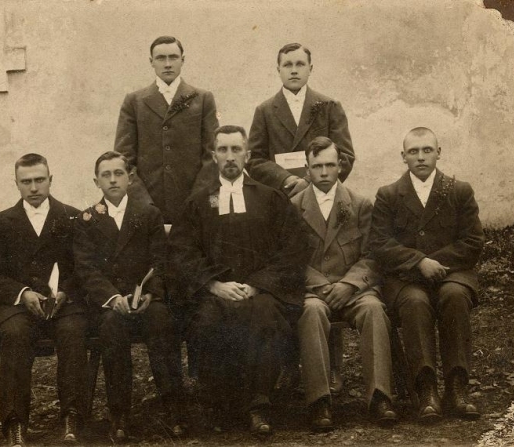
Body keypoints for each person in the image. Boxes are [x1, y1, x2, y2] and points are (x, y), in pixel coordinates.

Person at [168, 125, 309, 437]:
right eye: (223, 150)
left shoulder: (271, 199)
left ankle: (259, 405)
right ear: (214, 156)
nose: (230, 157)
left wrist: (257, 284)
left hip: (262, 290)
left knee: (265, 315)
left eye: (236, 150)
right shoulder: (197, 203)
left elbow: (293, 250)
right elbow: (181, 251)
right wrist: (213, 285)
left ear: (248, 155)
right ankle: (220, 405)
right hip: (214, 291)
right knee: (206, 320)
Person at [370, 127, 484, 422]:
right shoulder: (388, 195)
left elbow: (473, 242)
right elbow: (380, 244)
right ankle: (426, 390)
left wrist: (436, 263)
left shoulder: (459, 191)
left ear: (438, 153)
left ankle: (457, 387)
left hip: (451, 275)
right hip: (406, 279)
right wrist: (418, 262)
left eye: (427, 150)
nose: (420, 157)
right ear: (403, 156)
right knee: (415, 303)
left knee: (455, 296)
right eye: (413, 151)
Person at [73, 151, 185, 442]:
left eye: (118, 173)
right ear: (96, 181)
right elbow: (86, 269)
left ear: (130, 178)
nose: (113, 180)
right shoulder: (87, 219)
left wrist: (150, 293)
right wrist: (112, 297)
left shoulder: (148, 214)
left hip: (145, 299)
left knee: (162, 320)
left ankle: (174, 408)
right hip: (111, 304)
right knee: (111, 327)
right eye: (106, 175)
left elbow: (161, 261)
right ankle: (119, 413)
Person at [0, 154, 89, 447]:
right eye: (26, 181)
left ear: (50, 180)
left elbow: (84, 268)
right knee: (14, 333)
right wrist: (22, 293)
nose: (33, 187)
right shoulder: (1, 222)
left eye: (39, 180)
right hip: (19, 307)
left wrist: (66, 291)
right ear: (16, 184)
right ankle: (15, 424)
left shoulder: (72, 217)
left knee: (74, 331)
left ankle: (72, 418)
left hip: (64, 304)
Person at [291, 137, 396, 431]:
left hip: (354, 290)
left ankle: (380, 396)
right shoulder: (293, 207)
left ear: (340, 166)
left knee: (374, 310)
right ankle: (319, 401)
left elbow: (373, 255)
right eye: (317, 166)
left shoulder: (360, 205)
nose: (324, 172)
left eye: (329, 165)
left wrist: (349, 284)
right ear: (307, 169)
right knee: (310, 312)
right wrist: (320, 285)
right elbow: (289, 258)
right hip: (314, 291)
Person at [114, 35, 220, 224]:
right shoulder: (134, 102)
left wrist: (196, 200)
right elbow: (124, 160)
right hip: (148, 205)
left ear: (182, 60)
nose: (168, 64)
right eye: (161, 58)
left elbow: (212, 156)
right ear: (151, 62)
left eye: (173, 57)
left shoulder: (203, 99)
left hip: (193, 203)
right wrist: (143, 203)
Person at [247, 42, 355, 197]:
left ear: (310, 69)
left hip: (321, 195)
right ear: (278, 70)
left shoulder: (330, 106)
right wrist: (285, 179)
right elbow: (254, 160)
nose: (294, 70)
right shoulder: (264, 111)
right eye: (287, 65)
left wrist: (309, 180)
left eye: (300, 64)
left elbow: (345, 156)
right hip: (281, 195)